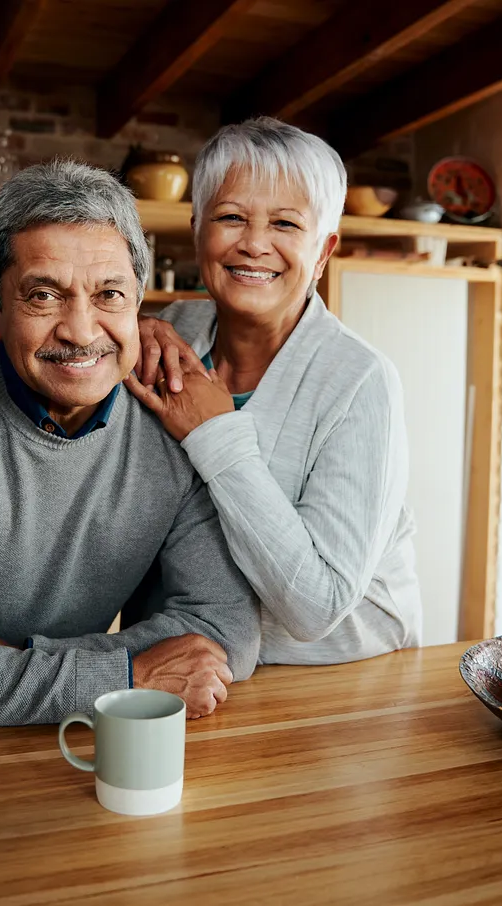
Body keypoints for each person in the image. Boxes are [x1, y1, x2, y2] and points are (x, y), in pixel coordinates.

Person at [0, 160, 260, 727]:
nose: (82, 331)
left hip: (76, 731)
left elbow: (223, 631)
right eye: (44, 296)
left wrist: (19, 661)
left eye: (110, 295)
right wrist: (126, 678)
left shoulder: (174, 412)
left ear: (139, 301)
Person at [125, 117, 421, 665]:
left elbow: (317, 608)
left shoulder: (361, 381)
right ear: (197, 231)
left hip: (338, 677)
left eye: (286, 224)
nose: (255, 244)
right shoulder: (172, 334)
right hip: (180, 660)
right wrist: (124, 323)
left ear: (324, 249)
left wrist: (215, 432)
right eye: (231, 217)